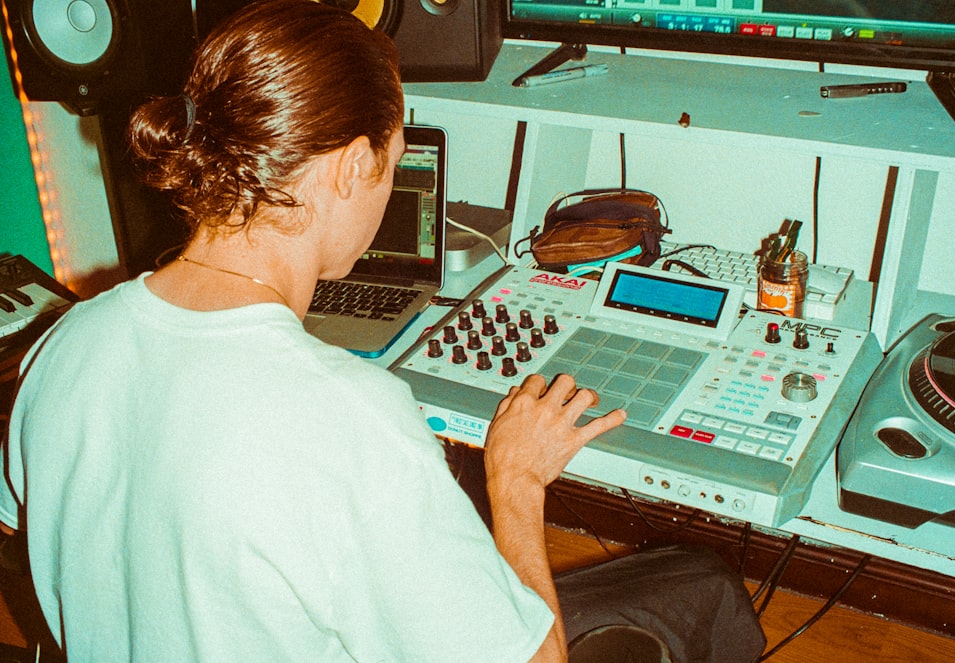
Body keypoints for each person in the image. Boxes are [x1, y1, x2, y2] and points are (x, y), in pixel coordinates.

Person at [0, 1, 764, 661]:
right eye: (393, 160)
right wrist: (516, 481)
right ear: (347, 167)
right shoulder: (353, 418)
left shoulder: (63, 345)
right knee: (706, 589)